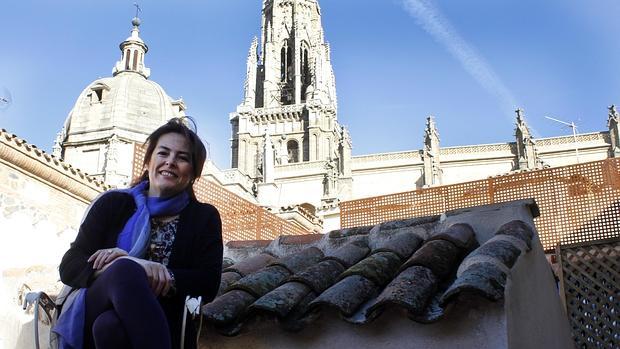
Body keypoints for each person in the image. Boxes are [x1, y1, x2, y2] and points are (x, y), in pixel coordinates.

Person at [54, 118, 223, 349]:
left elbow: (208, 283)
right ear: (149, 160)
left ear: (194, 172)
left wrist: (164, 275)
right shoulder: (113, 203)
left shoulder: (203, 217)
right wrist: (129, 265)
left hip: (162, 319)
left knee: (110, 326)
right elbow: (70, 266)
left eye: (182, 158)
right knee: (123, 270)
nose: (170, 162)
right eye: (163, 153)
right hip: (93, 308)